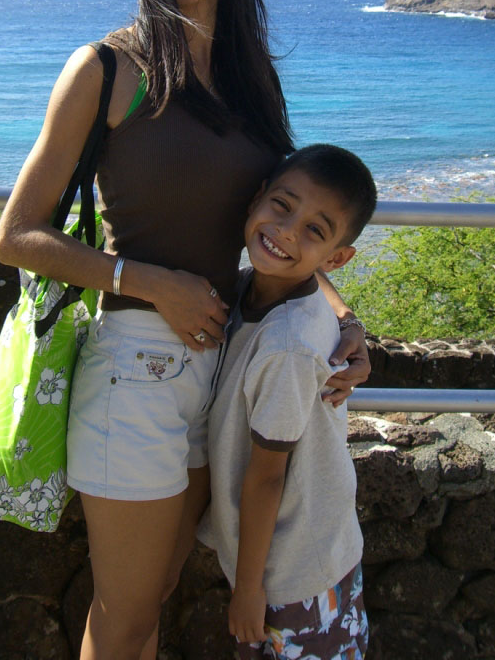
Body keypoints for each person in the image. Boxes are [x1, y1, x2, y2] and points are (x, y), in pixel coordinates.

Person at [0, 0, 372, 660]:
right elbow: (16, 236)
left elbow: (291, 221)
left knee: (159, 591)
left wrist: (347, 321)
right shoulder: (105, 69)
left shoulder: (249, 74)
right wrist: (151, 282)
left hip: (222, 369)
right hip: (134, 368)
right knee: (126, 617)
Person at [198, 143, 375, 659]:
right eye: (282, 205)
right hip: (315, 550)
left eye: (315, 231)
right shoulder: (254, 288)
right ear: (258, 198)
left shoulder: (287, 346)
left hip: (291, 575)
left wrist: (249, 589)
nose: (287, 231)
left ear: (337, 258)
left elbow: (267, 474)